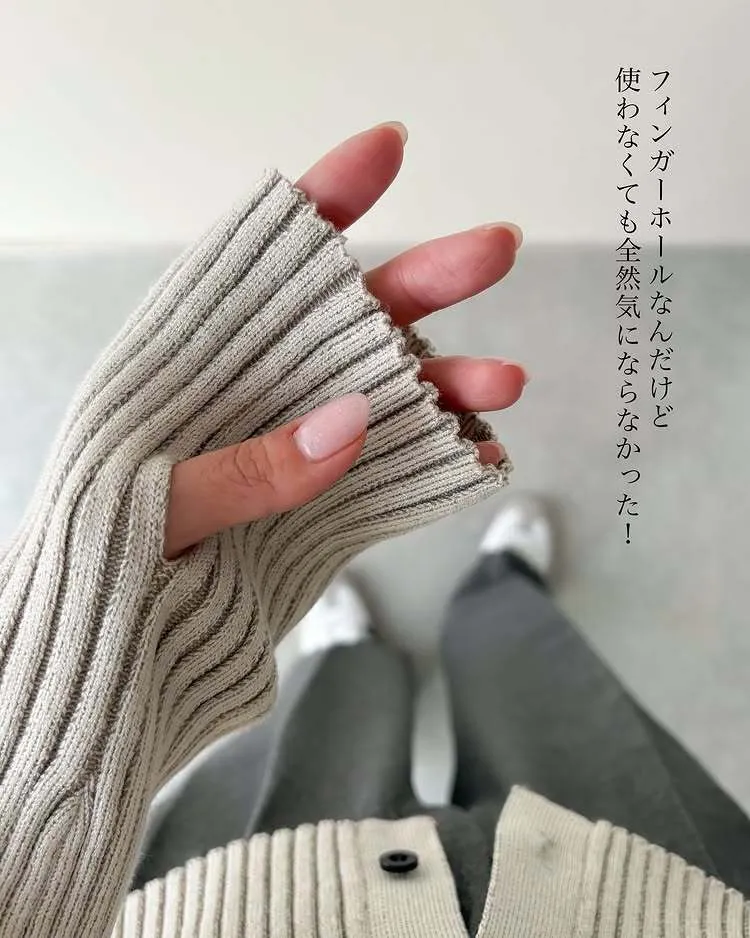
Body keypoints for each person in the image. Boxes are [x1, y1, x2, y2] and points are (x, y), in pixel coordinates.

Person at [0, 120, 747, 937]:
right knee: (540, 672)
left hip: (237, 899)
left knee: (330, 707)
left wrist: (49, 702)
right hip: (659, 899)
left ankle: (352, 646)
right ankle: (503, 589)